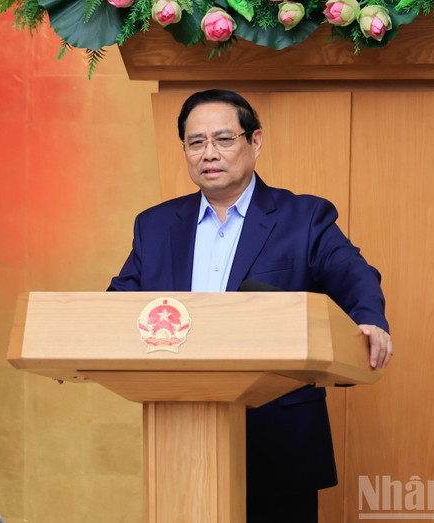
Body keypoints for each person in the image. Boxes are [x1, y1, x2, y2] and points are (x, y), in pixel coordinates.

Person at [108, 89, 392, 522]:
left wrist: (370, 320)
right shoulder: (156, 225)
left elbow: (355, 275)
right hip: (181, 441)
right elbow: (117, 306)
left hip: (280, 439)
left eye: (223, 139)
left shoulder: (304, 218)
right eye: (195, 142)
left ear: (254, 141)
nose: (209, 153)